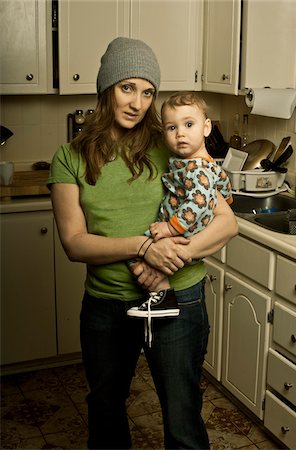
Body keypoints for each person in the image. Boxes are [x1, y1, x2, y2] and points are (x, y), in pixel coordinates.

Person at [48, 36, 238, 450]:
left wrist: (175, 255)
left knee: (182, 413)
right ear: (106, 89)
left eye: (148, 91)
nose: (137, 102)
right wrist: (144, 246)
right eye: (127, 87)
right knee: (105, 409)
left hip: (179, 300)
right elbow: (75, 244)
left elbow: (226, 222)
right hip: (107, 303)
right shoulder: (70, 157)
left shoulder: (171, 144)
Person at [127, 92, 232, 330]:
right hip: (183, 230)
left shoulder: (197, 168)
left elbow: (196, 204)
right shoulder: (196, 162)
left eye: (188, 124)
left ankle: (163, 296)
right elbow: (224, 190)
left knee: (136, 254)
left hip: (181, 232)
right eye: (171, 128)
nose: (180, 134)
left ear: (207, 128)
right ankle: (162, 294)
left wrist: (169, 227)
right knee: (143, 256)